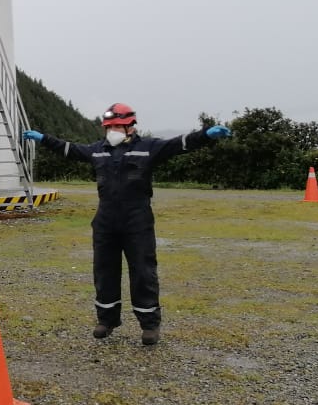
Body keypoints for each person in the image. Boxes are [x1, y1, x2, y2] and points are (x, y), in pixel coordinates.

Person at [23, 103, 232, 346]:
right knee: (104, 271)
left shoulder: (147, 148)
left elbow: (178, 144)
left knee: (143, 272)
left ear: (130, 126)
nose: (111, 131)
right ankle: (107, 320)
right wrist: (43, 139)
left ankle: (149, 325)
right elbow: (69, 149)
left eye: (116, 126)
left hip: (138, 221)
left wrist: (206, 135)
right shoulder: (97, 151)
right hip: (105, 222)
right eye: (108, 127)